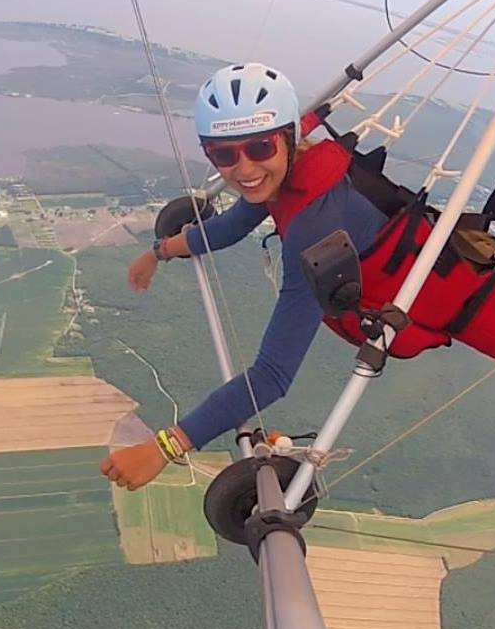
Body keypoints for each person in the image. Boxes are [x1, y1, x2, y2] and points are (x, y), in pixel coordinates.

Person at [100, 63, 387, 492]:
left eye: (259, 147)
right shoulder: (286, 174)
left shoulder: (315, 231)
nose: (244, 168)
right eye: (224, 154)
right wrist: (158, 252)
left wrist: (164, 448)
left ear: (288, 139)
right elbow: (230, 226)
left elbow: (272, 376)